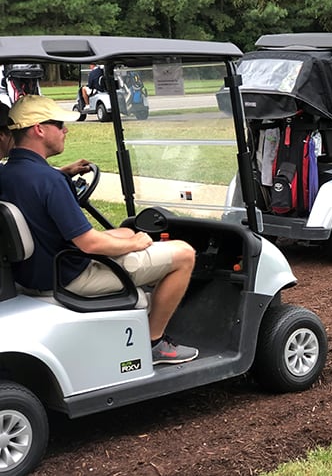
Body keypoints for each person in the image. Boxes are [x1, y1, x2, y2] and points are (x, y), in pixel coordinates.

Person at [0, 95, 198, 365]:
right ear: (39, 129)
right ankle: (155, 342)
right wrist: (137, 244)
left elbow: (37, 186)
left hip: (34, 272)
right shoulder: (50, 181)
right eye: (59, 124)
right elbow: (90, 245)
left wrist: (63, 174)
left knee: (125, 232)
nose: (65, 130)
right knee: (183, 254)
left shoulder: (10, 173)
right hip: (70, 276)